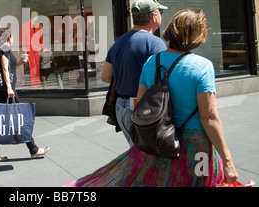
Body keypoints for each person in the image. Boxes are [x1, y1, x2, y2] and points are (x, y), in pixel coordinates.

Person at [67, 9, 238, 187]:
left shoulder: (152, 62)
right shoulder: (202, 67)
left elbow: (141, 103)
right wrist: (227, 161)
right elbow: (209, 117)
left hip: (160, 141)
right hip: (196, 147)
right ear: (197, 35)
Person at [101, 0, 168, 145]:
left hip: (120, 107)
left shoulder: (118, 43)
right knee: (146, 156)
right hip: (143, 107)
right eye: (160, 13)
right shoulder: (156, 44)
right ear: (153, 16)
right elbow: (164, 79)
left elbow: (105, 76)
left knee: (136, 152)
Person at [0, 27, 49, 164]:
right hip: (6, 91)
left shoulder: (3, 49)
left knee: (1, 119)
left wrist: (21, 62)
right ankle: (33, 149)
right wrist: (9, 88)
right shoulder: (4, 48)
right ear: (9, 37)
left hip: (4, 90)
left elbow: (10, 66)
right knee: (21, 116)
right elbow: (4, 69)